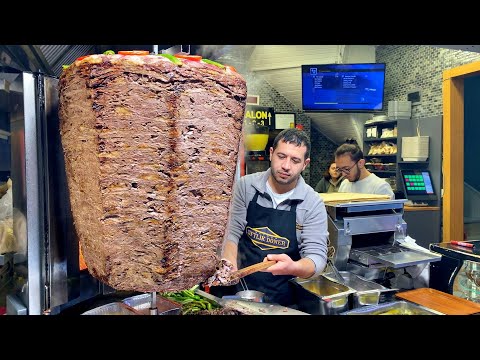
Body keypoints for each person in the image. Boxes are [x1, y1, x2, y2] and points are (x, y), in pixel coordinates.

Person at [217, 128, 329, 306]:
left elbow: (317, 258)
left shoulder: (312, 202)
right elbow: (232, 231)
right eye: (281, 156)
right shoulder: (246, 187)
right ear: (271, 153)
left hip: (280, 299)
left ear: (305, 164)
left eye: (295, 160)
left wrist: (294, 267)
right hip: (237, 289)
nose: (286, 166)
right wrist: (229, 264)